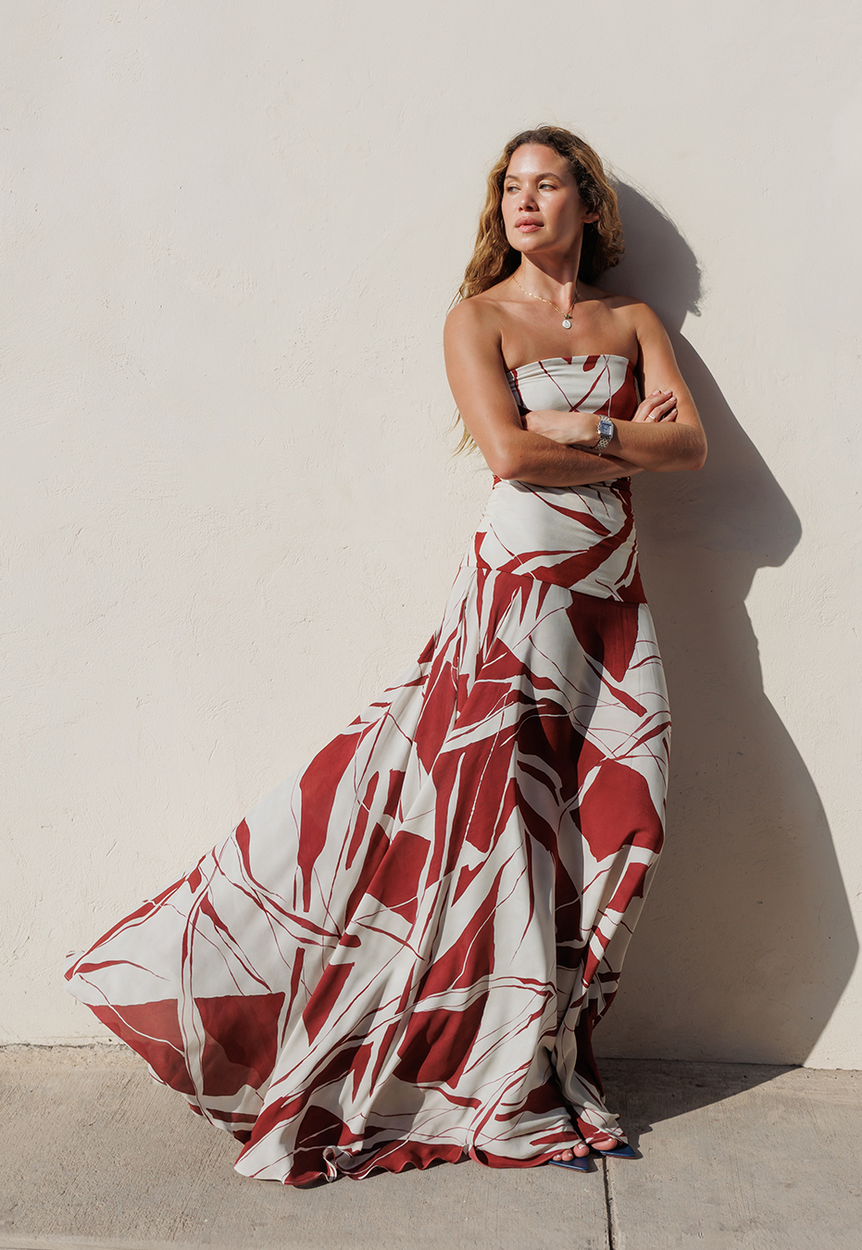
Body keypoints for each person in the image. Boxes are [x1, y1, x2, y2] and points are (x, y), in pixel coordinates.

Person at [64, 125, 706, 1184]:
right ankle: (501, 1078)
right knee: (501, 837)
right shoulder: (476, 318)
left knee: (623, 818)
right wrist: (615, 434)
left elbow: (690, 447)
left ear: (588, 204)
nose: (524, 202)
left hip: (613, 600)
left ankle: (544, 1047)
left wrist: (579, 432)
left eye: (547, 185)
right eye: (511, 187)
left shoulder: (631, 319)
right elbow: (508, 452)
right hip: (520, 597)